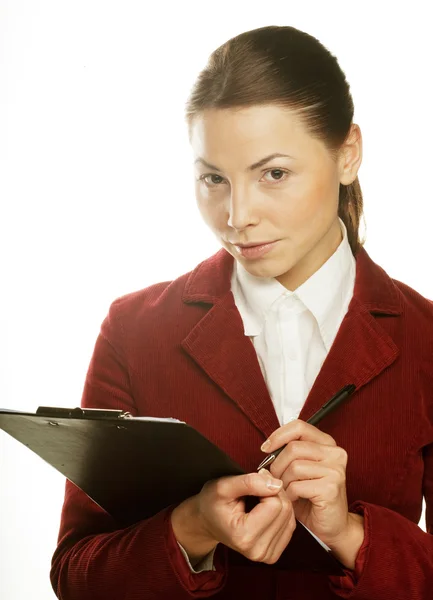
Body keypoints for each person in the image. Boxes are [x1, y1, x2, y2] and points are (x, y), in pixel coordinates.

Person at [50, 25, 433, 600]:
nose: (237, 215)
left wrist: (349, 534)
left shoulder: (426, 337)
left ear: (348, 154)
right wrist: (194, 528)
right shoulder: (134, 330)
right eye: (213, 179)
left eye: (273, 173)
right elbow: (76, 576)